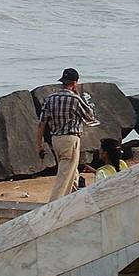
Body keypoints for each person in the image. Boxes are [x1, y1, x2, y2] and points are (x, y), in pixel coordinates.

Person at [36, 68, 98, 201]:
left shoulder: (50, 99)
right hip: (70, 139)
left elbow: (41, 124)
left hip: (55, 140)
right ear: (75, 83)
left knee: (72, 172)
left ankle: (75, 200)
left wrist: (39, 145)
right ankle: (54, 205)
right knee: (65, 176)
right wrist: (79, 95)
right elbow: (90, 117)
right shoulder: (75, 99)